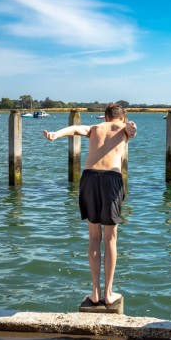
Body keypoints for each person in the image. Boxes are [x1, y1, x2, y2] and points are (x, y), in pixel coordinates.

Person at [43, 104, 137, 307]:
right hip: (111, 179)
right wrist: (131, 127)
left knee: (94, 237)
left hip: (88, 178)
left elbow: (75, 129)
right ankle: (109, 293)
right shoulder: (122, 127)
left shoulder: (95, 128)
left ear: (105, 117)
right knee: (110, 238)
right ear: (121, 118)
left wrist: (55, 134)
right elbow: (131, 130)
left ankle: (95, 293)